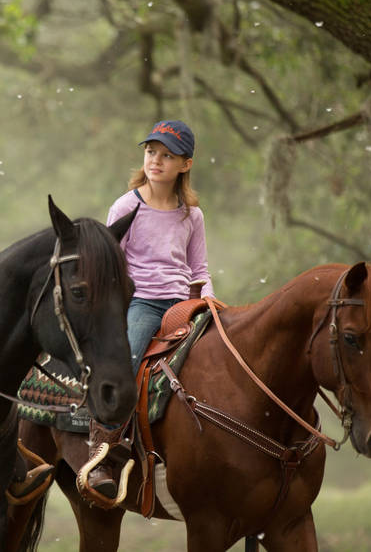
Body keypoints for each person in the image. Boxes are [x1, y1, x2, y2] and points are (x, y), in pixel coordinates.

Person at [86, 120, 215, 499]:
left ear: (185, 165)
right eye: (151, 152)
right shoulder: (128, 206)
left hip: (184, 304)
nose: (156, 161)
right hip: (142, 301)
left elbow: (199, 269)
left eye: (167, 155)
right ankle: (103, 452)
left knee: (218, 359)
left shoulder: (192, 215)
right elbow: (111, 263)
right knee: (125, 361)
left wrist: (208, 299)